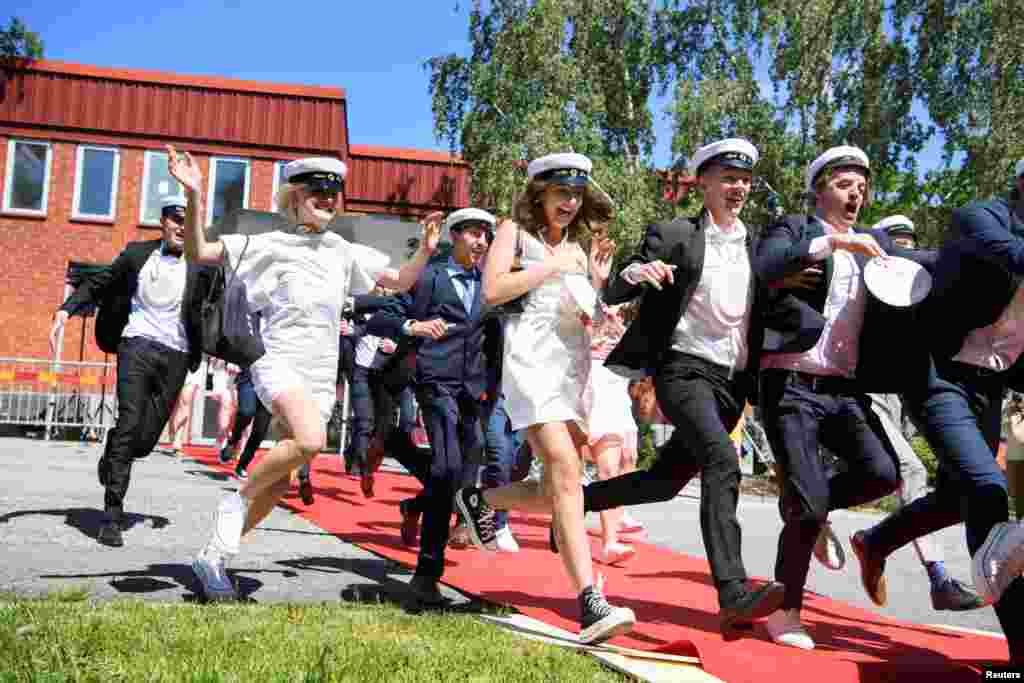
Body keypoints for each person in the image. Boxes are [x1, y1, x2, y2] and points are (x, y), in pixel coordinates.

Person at [167, 148, 438, 601]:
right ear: (294, 197)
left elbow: (400, 281)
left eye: (334, 194)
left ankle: (212, 558)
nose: (329, 200)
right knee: (311, 440)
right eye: (318, 192)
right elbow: (199, 250)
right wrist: (195, 194)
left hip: (319, 374)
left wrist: (426, 251)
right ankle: (234, 500)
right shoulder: (268, 243)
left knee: (282, 482)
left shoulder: (342, 250)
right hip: (277, 361)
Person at [575, 139, 785, 633]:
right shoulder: (675, 233)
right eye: (728, 179)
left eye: (745, 181)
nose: (738, 188)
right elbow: (618, 285)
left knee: (665, 483)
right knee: (721, 459)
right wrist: (639, 271)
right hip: (682, 369)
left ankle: (575, 502)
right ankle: (733, 592)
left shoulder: (760, 245)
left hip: (733, 381)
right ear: (704, 182)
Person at [754, 145, 933, 650]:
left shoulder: (877, 241)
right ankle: (785, 611)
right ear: (819, 189)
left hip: (845, 390)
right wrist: (834, 246)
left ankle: (806, 503)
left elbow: (920, 266)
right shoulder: (796, 229)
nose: (856, 194)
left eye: (862, 187)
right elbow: (765, 263)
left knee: (883, 472)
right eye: (844, 185)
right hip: (790, 382)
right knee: (809, 508)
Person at [846, 159, 1024, 665]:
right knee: (986, 491)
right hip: (937, 374)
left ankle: (876, 540)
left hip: (990, 386)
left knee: (958, 499)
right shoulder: (981, 218)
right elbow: (1008, 253)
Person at [454, 153, 635, 645]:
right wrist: (553, 266)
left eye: (577, 195)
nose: (570, 203)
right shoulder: (515, 231)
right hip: (530, 361)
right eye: (561, 193)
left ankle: (480, 499)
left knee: (564, 484)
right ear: (540, 193)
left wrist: (599, 295)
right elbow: (491, 291)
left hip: (572, 367)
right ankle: (589, 601)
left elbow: (585, 311)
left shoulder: (579, 247)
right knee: (564, 468)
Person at [50, 194, 214, 547]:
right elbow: (100, 282)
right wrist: (67, 310)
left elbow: (223, 304)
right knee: (128, 423)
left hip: (177, 356)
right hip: (136, 345)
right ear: (163, 221)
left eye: (188, 221)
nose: (181, 227)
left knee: (142, 443)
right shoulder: (137, 254)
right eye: (175, 219)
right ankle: (112, 513)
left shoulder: (203, 266)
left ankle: (114, 451)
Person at [367, 207, 499, 604]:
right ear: (453, 236)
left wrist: (492, 386)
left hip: (474, 392)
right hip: (434, 384)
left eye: (486, 236)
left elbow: (496, 339)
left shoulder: (492, 284)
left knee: (465, 471)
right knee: (445, 468)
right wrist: (413, 327)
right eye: (473, 233)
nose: (481, 242)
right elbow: (379, 317)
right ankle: (427, 573)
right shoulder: (428, 276)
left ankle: (414, 505)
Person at [582, 302, 641, 565]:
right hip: (592, 395)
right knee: (598, 471)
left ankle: (610, 538)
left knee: (619, 465)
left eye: (619, 312)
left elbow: (638, 359)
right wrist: (593, 336)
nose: (614, 315)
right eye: (610, 311)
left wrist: (621, 330)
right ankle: (603, 538)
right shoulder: (587, 322)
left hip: (616, 398)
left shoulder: (623, 330)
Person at [221, 363, 272, 482]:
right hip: (249, 377)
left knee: (260, 431)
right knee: (246, 412)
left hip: (271, 385)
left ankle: (242, 465)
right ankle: (233, 441)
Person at [168, 360, 204, 459]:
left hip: (195, 368)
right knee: (175, 406)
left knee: (185, 403)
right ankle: (173, 435)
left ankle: (177, 441)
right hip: (177, 363)